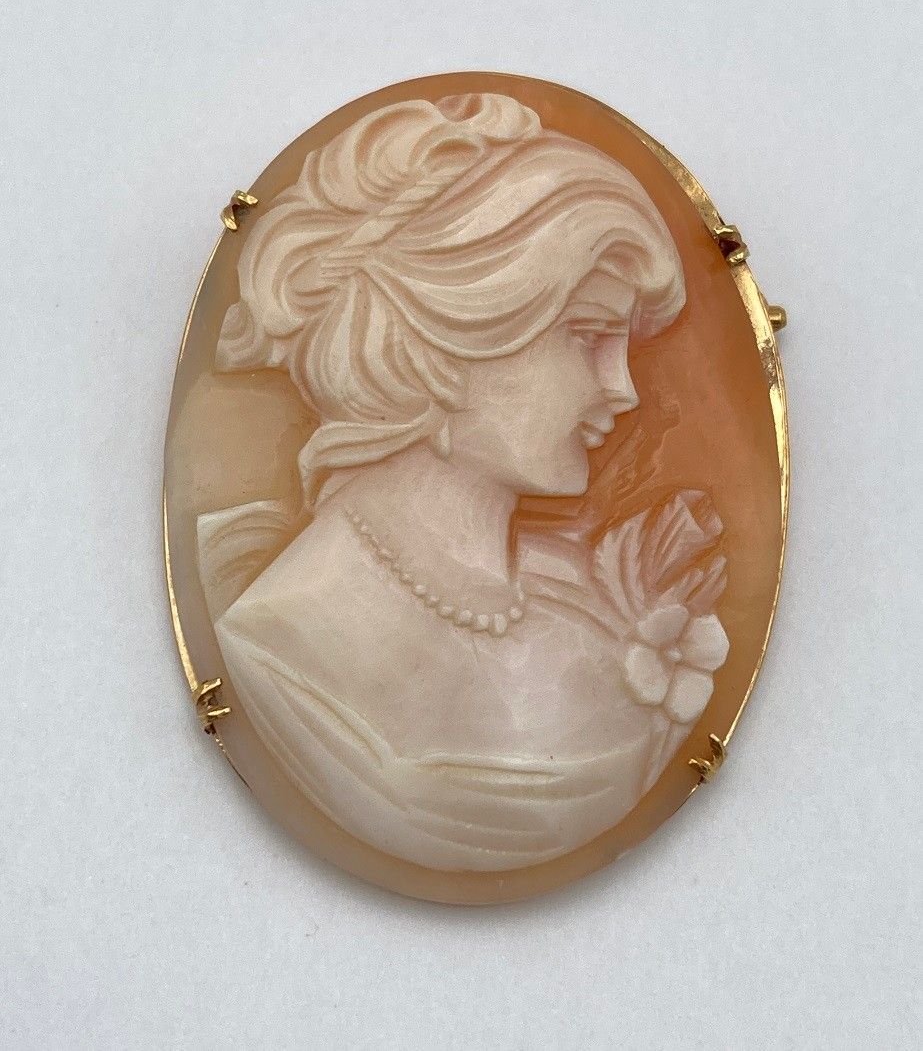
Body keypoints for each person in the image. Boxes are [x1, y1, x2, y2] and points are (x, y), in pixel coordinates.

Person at [198, 93, 728, 871]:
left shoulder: (592, 605)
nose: (623, 389)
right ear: (438, 343)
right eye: (586, 334)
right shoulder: (285, 638)